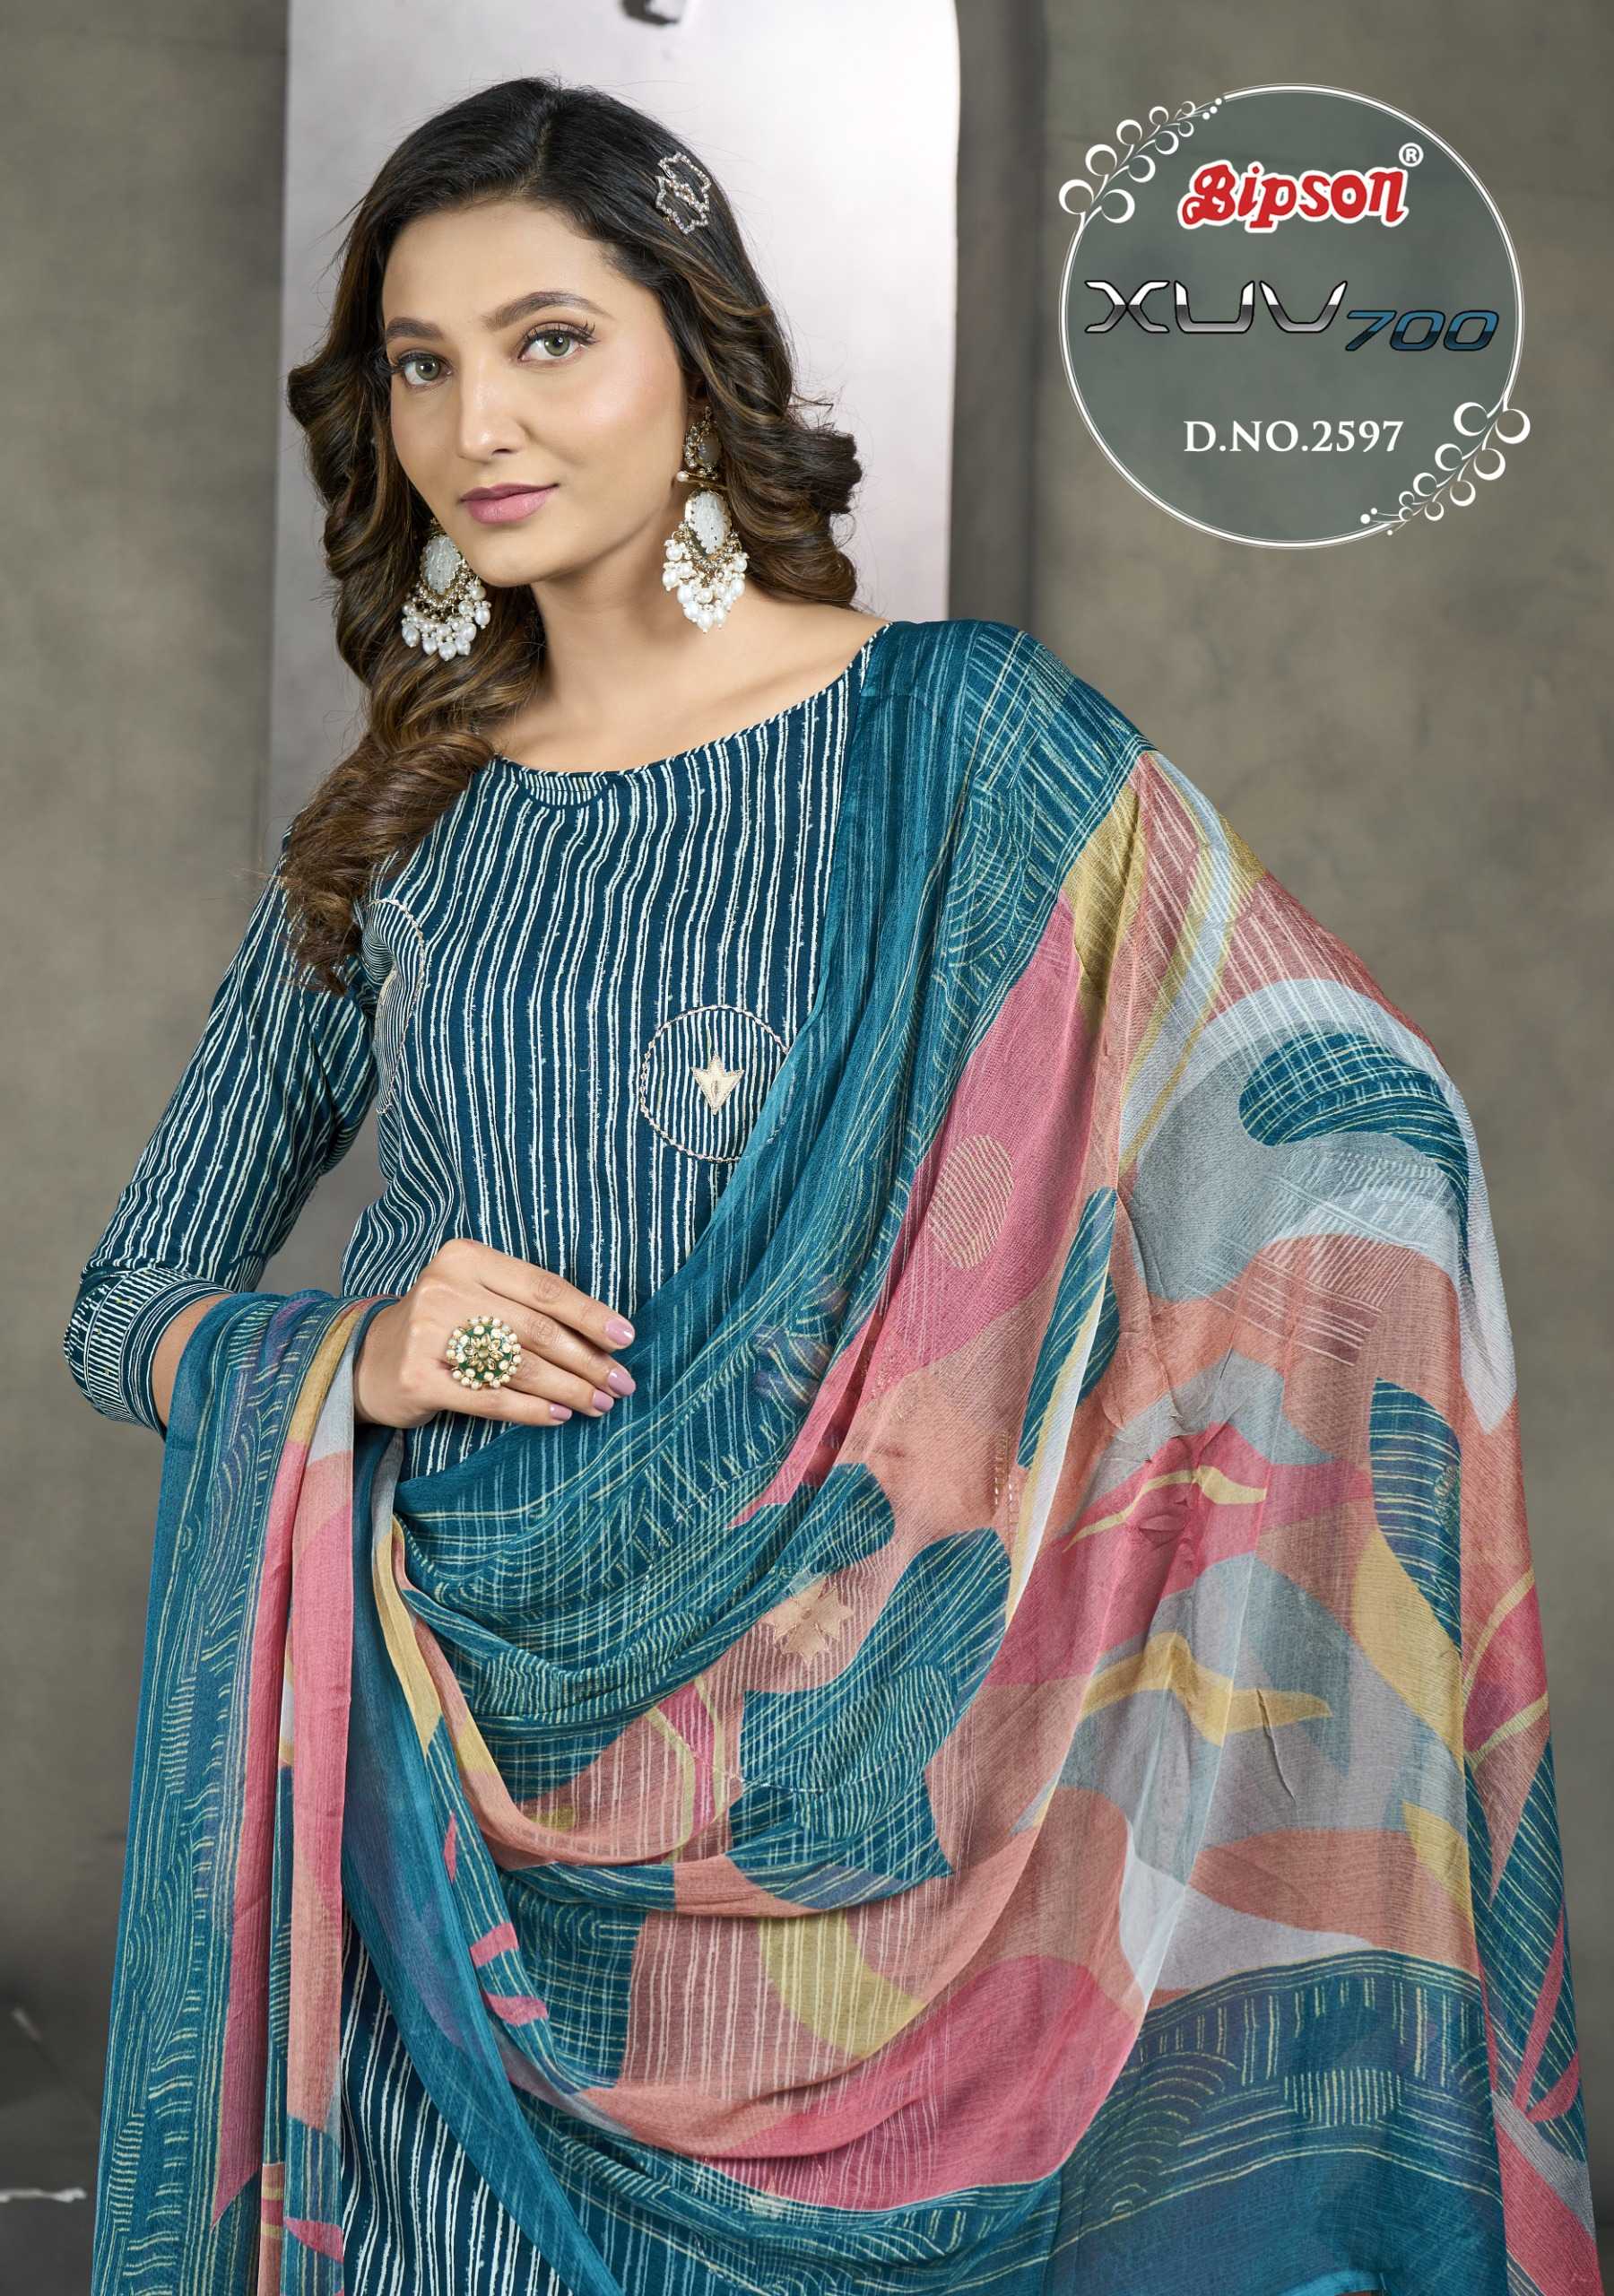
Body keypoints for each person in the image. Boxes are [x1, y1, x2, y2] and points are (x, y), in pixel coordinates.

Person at [67, 74, 1600, 2296]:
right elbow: (128, 1304)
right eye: (419, 362)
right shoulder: (400, 815)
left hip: (867, 1818)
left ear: (699, 363)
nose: (477, 422)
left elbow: (1347, 1122)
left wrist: (1076, 1416)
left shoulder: (963, 740)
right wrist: (364, 1352)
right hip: (435, 1809)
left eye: (550, 339)